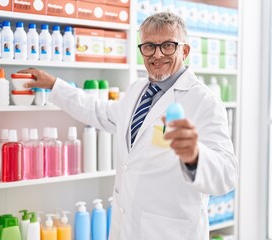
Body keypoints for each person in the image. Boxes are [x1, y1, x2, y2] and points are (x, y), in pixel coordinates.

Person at [19, 12, 238, 240]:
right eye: (149, 46)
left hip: (169, 232)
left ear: (184, 50)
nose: (157, 54)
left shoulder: (203, 101)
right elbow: (100, 111)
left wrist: (195, 155)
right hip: (126, 228)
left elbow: (227, 175)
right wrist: (55, 86)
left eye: (168, 46)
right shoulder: (137, 90)